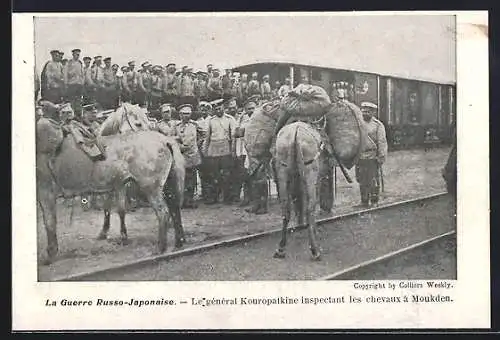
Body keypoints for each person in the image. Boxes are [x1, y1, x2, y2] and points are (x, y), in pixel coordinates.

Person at [202, 99, 236, 204]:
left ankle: (227, 197)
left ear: (224, 108)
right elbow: (207, 137)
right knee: (214, 174)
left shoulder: (230, 119)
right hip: (214, 149)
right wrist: (205, 150)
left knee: (226, 174)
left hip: (226, 148)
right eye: (216, 109)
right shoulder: (211, 120)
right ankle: (215, 197)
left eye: (220, 108)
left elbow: (233, 136)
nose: (218, 110)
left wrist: (233, 150)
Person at [355, 102, 388, 207]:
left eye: (368, 111)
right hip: (360, 157)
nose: (365, 113)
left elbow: (382, 142)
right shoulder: (357, 124)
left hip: (372, 157)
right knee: (361, 179)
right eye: (363, 110)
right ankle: (364, 201)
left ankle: (374, 201)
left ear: (373, 112)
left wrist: (381, 157)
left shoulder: (378, 125)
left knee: (373, 179)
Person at [175, 104, 205, 208]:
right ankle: (182, 200)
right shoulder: (176, 126)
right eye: (184, 114)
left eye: (188, 114)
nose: (186, 116)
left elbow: (203, 134)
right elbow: (171, 137)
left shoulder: (194, 125)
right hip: (180, 155)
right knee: (181, 178)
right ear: (180, 115)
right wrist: (179, 146)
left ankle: (190, 200)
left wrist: (198, 144)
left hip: (192, 155)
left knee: (191, 179)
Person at [235, 95, 258, 206]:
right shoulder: (243, 120)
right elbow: (237, 135)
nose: (251, 111)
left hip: (256, 151)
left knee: (255, 176)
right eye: (249, 109)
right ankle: (247, 198)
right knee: (245, 176)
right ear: (245, 110)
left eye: (253, 108)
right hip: (244, 151)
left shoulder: (259, 119)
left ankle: (255, 199)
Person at [63, 48, 85, 119]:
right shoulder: (69, 63)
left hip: (79, 85)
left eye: (78, 55)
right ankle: (72, 116)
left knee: (78, 101)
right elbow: (65, 74)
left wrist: (82, 83)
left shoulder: (80, 63)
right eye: (76, 54)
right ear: (73, 54)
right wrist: (66, 84)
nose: (77, 56)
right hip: (72, 84)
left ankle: (78, 116)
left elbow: (82, 74)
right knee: (72, 101)